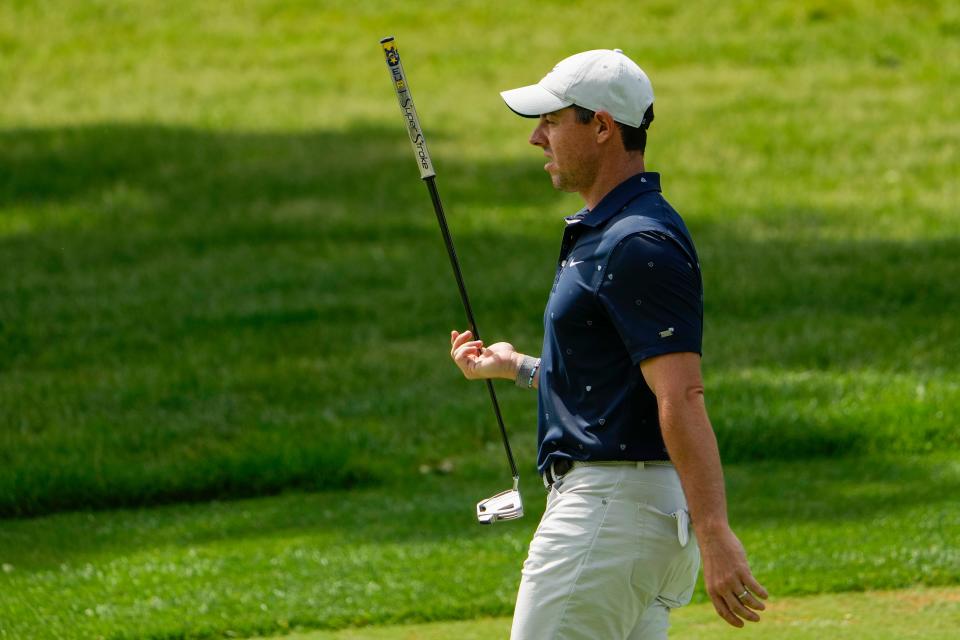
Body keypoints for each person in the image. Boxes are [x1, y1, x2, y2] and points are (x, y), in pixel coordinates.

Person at [448, 49, 768, 639]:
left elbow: (682, 394)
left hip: (608, 514)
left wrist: (716, 532)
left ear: (600, 126)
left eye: (551, 121)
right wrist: (516, 366)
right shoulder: (614, 232)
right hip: (629, 518)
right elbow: (617, 383)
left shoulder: (635, 241)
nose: (536, 139)